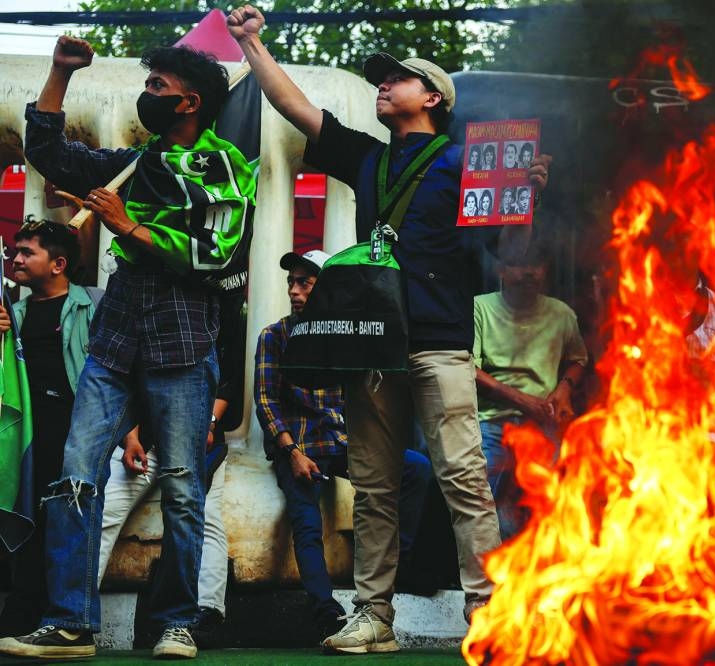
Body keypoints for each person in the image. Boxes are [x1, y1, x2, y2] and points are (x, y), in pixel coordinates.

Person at [227, 4, 551, 654]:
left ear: (433, 96)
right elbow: (295, 105)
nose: (383, 84)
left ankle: (487, 616)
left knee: (462, 479)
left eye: (396, 78)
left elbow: (505, 248)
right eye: (380, 78)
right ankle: (374, 618)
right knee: (374, 487)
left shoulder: (466, 160)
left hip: (438, 341)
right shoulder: (370, 158)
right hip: (370, 345)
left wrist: (526, 199)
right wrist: (251, 43)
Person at [0, 36, 253, 660]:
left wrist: (126, 226)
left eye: (158, 87)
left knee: (184, 487)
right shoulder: (131, 164)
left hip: (184, 346)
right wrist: (60, 73)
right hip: (113, 345)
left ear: (189, 102)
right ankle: (72, 625)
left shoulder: (228, 167)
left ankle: (178, 625)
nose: (149, 96)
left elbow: (214, 251)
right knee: (73, 479)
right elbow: (48, 151)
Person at [253, 249, 433, 646]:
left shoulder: (343, 335)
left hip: (345, 443)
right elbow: (265, 401)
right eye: (291, 282)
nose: (294, 291)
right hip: (299, 448)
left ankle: (393, 568)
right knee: (305, 517)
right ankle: (326, 613)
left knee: (416, 467)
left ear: (324, 289)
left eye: (305, 282)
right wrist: (291, 453)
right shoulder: (275, 336)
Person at [96, 290, 247, 647]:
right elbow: (125, 382)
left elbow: (229, 382)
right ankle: (78, 608)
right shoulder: (140, 313)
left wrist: (208, 423)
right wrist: (130, 438)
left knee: (204, 517)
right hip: (145, 439)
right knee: (105, 511)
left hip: (198, 437)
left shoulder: (225, 316)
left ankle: (206, 612)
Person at [0, 220, 98, 638]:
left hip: (73, 431)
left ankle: (60, 621)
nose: (16, 258)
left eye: (27, 252)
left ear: (58, 264)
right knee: (26, 518)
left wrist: (129, 435)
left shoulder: (90, 307)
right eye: (15, 251)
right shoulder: (13, 313)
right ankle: (21, 616)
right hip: (25, 435)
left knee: (64, 522)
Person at [473, 244, 587, 539]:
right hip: (492, 421)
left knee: (550, 502)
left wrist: (564, 389)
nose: (529, 272)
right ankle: (499, 572)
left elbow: (578, 359)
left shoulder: (561, 314)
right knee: (484, 503)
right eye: (519, 264)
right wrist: (522, 401)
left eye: (536, 265)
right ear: (501, 270)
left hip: (544, 422)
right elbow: (467, 370)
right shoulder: (480, 308)